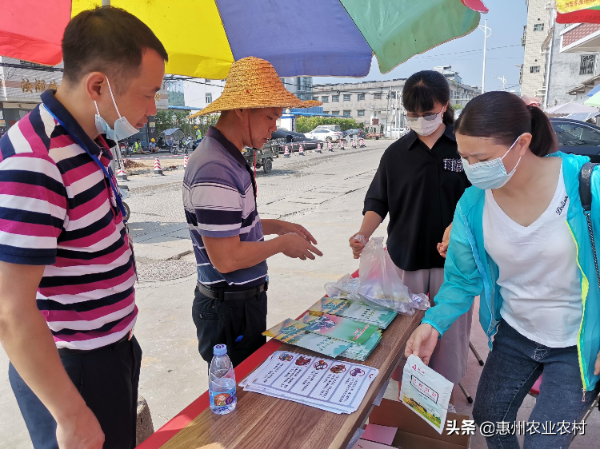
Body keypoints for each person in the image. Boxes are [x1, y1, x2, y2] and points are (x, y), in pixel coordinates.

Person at [0, 7, 167, 449]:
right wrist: (70, 414)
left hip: (110, 353)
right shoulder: (35, 160)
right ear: (98, 86)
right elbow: (10, 309)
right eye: (148, 94)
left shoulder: (89, 140)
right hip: (71, 369)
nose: (152, 109)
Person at [406, 91, 600, 448]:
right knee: (489, 417)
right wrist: (433, 324)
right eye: (464, 158)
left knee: (545, 441)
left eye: (480, 158)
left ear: (522, 143)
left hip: (577, 343)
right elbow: (462, 281)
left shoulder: (588, 187)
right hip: (514, 334)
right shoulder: (473, 204)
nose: (471, 168)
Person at [183, 57, 323, 367]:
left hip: (239, 304)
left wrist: (276, 226)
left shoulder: (226, 157)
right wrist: (282, 245)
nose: (273, 130)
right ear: (242, 109)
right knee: (238, 401)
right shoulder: (214, 167)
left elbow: (233, 226)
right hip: (227, 309)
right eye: (270, 118)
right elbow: (227, 258)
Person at [349, 70, 473, 395]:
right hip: (405, 263)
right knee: (404, 333)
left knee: (449, 336)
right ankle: (407, 391)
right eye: (413, 115)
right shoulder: (395, 154)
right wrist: (363, 233)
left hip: (455, 265)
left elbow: (487, 198)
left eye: (429, 114)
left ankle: (442, 392)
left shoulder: (466, 147)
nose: (421, 120)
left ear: (445, 105)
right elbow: (378, 200)